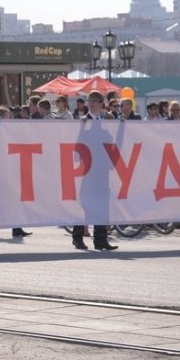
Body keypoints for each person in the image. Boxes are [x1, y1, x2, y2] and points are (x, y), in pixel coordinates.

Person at [73, 90, 118, 251]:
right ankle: (77, 237)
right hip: (87, 168)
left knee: (102, 203)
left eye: (95, 100)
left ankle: (100, 239)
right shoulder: (83, 121)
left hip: (102, 168)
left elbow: (112, 141)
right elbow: (78, 142)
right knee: (85, 203)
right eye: (89, 99)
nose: (91, 102)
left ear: (101, 104)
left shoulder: (107, 120)